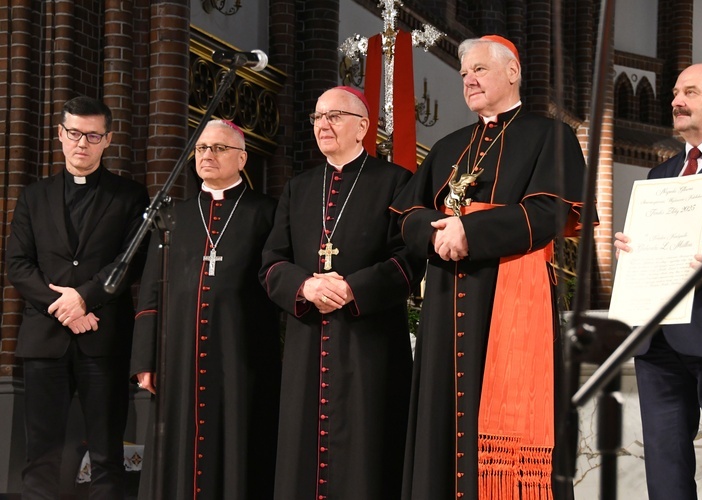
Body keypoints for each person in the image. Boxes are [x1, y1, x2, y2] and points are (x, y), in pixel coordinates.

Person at [390, 35, 589, 500]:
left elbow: (550, 212)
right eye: (464, 74)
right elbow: (406, 215)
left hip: (509, 300)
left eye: (479, 69)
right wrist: (440, 231)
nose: (469, 80)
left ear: (513, 72)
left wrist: (470, 231)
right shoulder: (447, 147)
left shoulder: (549, 136)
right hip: (445, 302)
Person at [259, 86, 424, 500]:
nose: (323, 125)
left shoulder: (395, 181)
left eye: (334, 116)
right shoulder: (299, 188)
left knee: (368, 453)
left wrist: (354, 288)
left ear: (363, 127)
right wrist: (305, 284)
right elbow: (270, 262)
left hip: (368, 344)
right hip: (306, 344)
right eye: (317, 117)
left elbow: (409, 260)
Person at [614, 63, 702, 500]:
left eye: (690, 92)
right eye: (675, 92)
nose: (676, 101)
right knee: (665, 467)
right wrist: (634, 251)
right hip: (658, 341)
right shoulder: (661, 173)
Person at [6, 96, 150, 499]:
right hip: (45, 340)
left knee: (106, 453)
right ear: (60, 135)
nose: (81, 143)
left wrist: (85, 299)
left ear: (107, 140)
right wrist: (67, 309)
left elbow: (131, 261)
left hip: (104, 338)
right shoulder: (34, 196)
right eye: (73, 133)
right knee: (41, 452)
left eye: (92, 135)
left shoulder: (130, 196)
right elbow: (18, 263)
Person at [130, 119, 281, 499]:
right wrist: (145, 357)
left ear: (242, 158)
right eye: (201, 149)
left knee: (239, 441)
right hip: (178, 354)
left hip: (242, 351)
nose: (207, 155)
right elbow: (150, 291)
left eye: (218, 148)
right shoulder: (173, 215)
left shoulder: (267, 212)